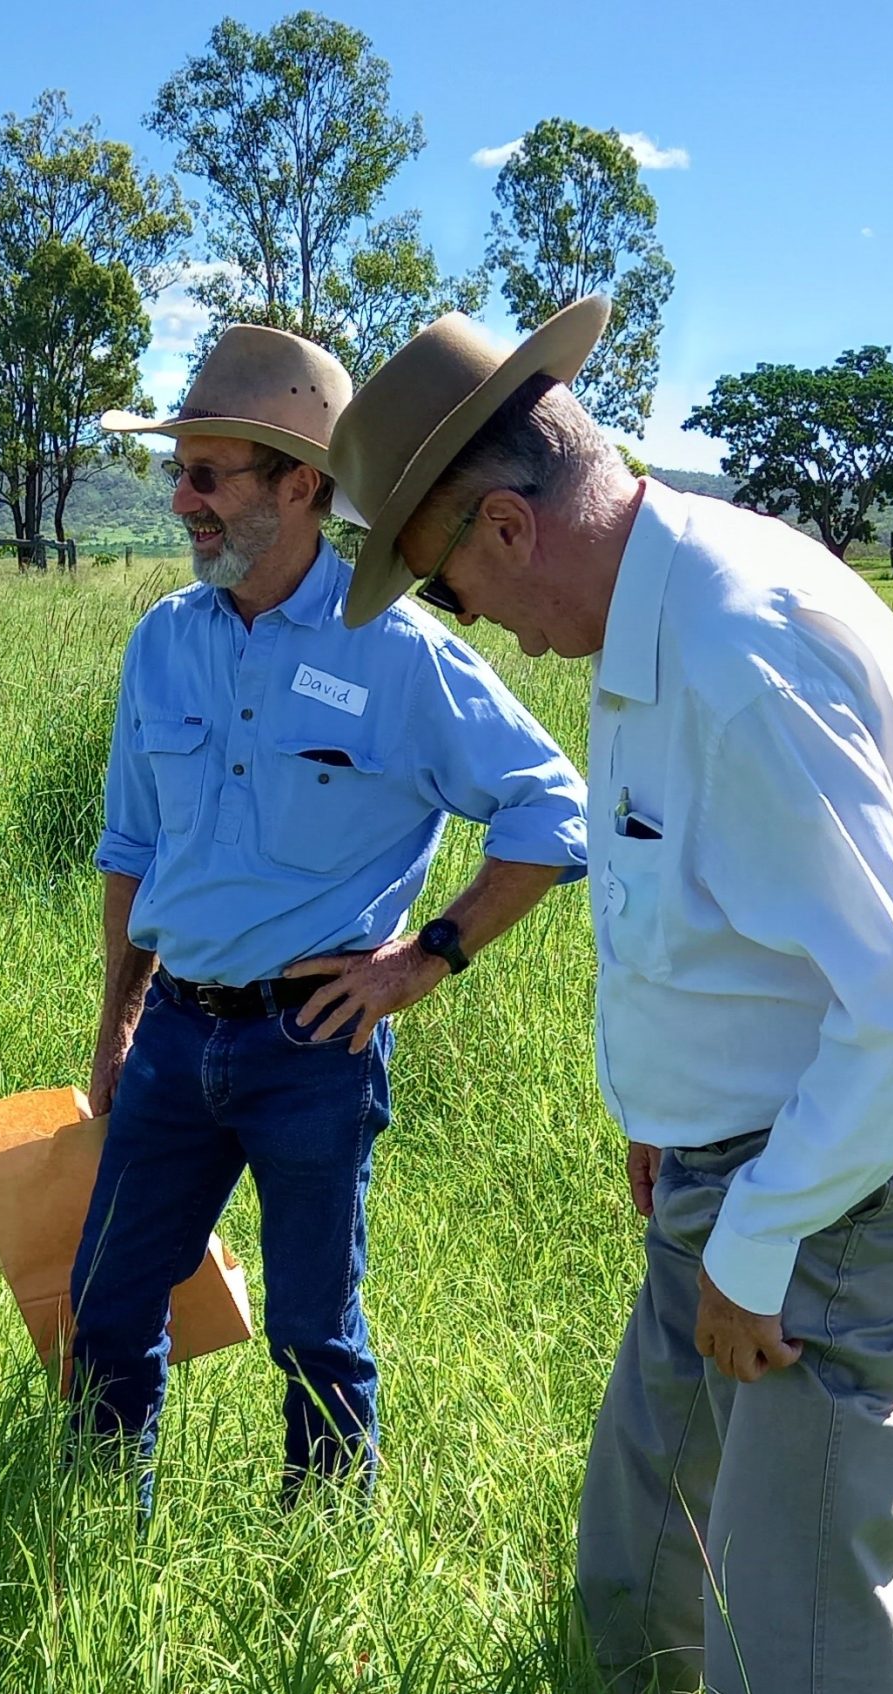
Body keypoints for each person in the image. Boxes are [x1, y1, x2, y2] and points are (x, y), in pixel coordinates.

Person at [331, 301, 893, 1694]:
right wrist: (666, 1123)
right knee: (646, 1509)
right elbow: (689, 902)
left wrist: (756, 1245)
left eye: (449, 581)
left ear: (501, 521)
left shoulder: (735, 649)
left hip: (828, 1179)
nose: (464, 619)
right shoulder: (647, 608)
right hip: (734, 1166)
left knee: (800, 1597)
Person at [70, 326, 588, 1515]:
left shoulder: (395, 651)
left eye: (209, 474)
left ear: (301, 483)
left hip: (316, 1044)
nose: (182, 501)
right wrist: (115, 1026)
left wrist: (420, 961)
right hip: (171, 1043)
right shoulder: (162, 643)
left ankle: (317, 1569)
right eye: (178, 472)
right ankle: (96, 1539)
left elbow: (550, 805)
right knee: (106, 1307)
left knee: (312, 1328)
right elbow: (131, 852)